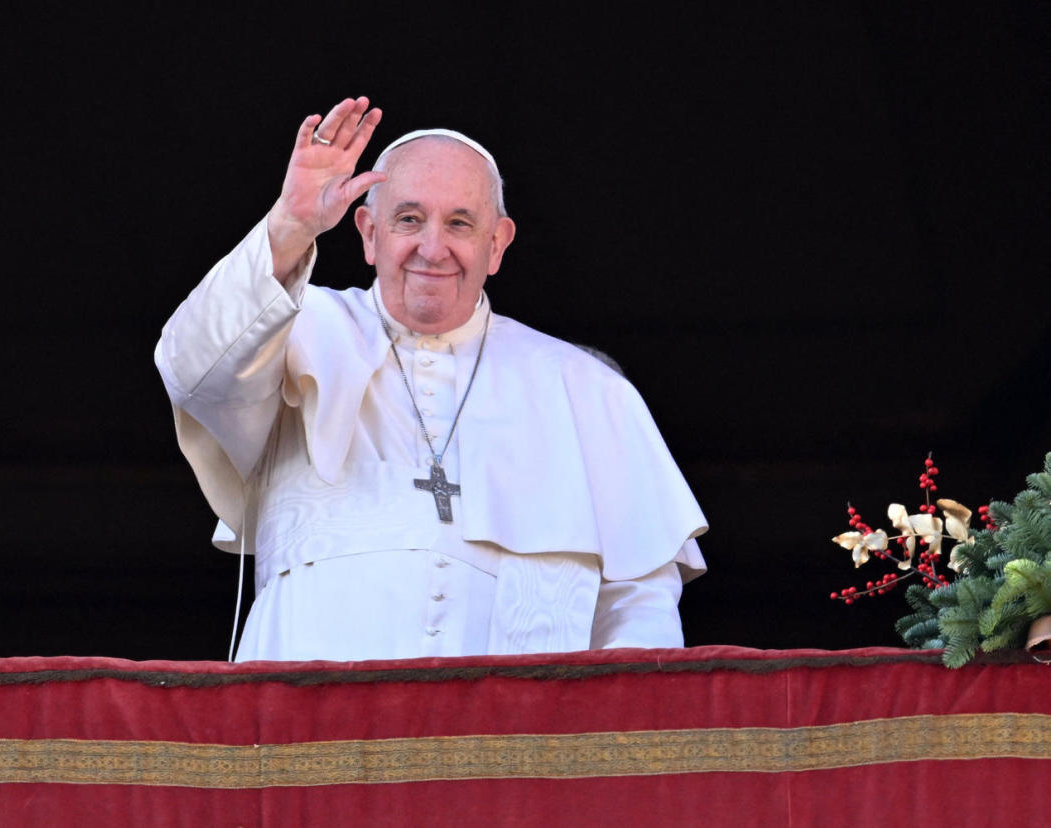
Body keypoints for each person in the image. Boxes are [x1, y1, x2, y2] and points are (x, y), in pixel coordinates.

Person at [154, 96, 708, 662]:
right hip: (310, 734)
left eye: (460, 223)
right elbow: (193, 368)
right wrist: (290, 227)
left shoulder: (587, 390)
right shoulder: (293, 328)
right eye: (409, 219)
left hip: (512, 743)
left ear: (497, 245)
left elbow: (640, 608)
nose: (432, 248)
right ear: (368, 232)